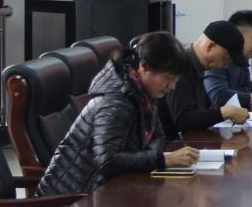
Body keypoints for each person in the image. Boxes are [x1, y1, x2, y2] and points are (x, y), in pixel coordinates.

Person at [36, 32, 200, 196]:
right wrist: (162, 159)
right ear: (144, 66)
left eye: (176, 80)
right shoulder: (117, 101)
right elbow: (107, 160)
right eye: (168, 78)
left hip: (105, 189)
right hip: (72, 200)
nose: (172, 86)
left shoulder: (143, 93)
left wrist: (150, 156)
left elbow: (158, 136)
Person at [159, 20, 250, 139]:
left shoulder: (199, 67)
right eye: (225, 58)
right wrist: (224, 112)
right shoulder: (181, 67)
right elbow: (183, 120)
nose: (226, 66)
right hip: (171, 145)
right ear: (210, 46)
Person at [204, 10, 252, 109]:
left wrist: (233, 94)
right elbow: (219, 97)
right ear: (238, 36)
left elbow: (248, 88)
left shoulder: (242, 58)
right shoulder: (218, 58)